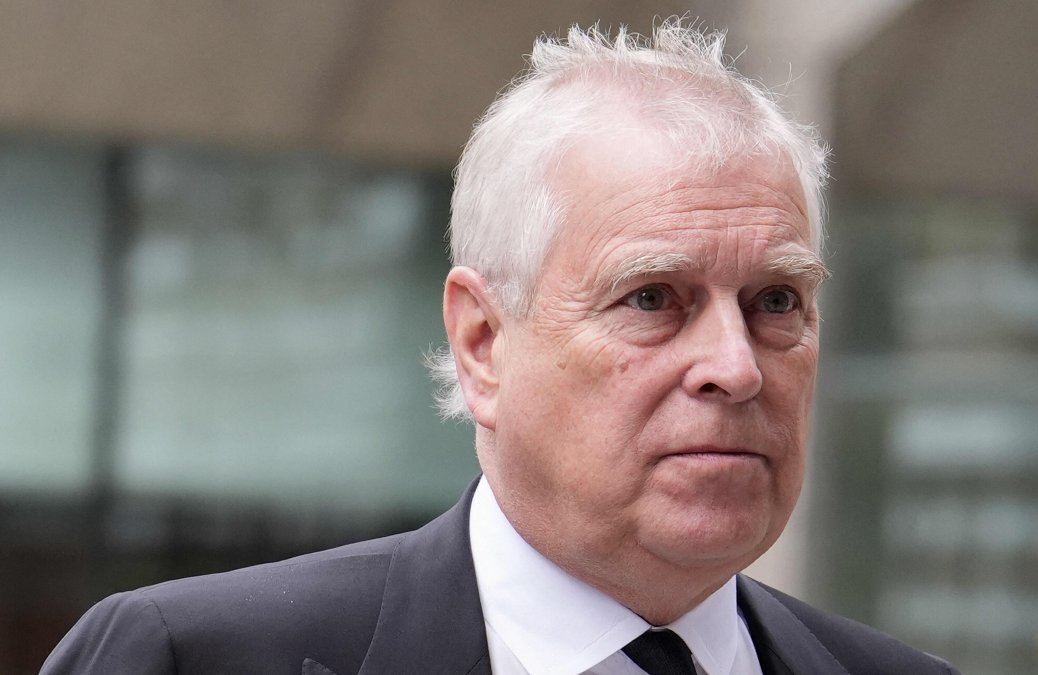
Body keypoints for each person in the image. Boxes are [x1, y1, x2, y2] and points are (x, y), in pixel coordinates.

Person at [42, 21, 959, 675]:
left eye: (775, 300)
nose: (736, 363)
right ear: (482, 342)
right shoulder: (187, 657)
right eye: (652, 297)